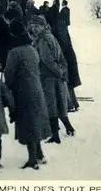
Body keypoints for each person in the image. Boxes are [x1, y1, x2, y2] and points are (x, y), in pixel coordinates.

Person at [5, 19, 51, 170]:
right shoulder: (31, 48)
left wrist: (7, 89)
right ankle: (39, 154)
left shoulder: (14, 52)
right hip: (36, 88)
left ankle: (32, 159)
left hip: (22, 90)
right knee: (35, 120)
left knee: (27, 123)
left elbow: (9, 75)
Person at [29, 16, 76, 144]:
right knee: (60, 104)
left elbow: (47, 59)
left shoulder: (43, 40)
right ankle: (69, 128)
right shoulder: (50, 36)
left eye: (37, 26)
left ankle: (55, 136)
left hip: (48, 77)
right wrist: (62, 71)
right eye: (33, 26)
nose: (35, 29)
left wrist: (59, 72)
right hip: (56, 77)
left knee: (51, 106)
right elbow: (61, 57)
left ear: (44, 26)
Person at [55, 0, 81, 112]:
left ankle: (70, 105)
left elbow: (64, 45)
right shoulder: (61, 27)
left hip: (66, 58)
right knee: (68, 83)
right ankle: (73, 103)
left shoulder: (59, 28)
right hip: (68, 57)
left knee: (66, 82)